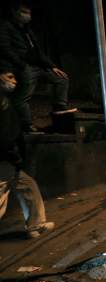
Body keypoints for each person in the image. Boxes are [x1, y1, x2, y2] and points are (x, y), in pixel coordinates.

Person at [0, 1, 76, 132]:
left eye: (28, 13)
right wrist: (21, 65)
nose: (27, 15)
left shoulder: (27, 30)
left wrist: (52, 66)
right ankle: (27, 124)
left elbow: (38, 51)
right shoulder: (5, 27)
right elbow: (5, 48)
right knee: (23, 97)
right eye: (24, 12)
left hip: (37, 66)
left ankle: (59, 108)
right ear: (14, 12)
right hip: (23, 67)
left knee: (62, 78)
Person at [0, 69, 54, 238]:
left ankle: (35, 224)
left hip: (9, 157)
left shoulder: (5, 101)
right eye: (9, 77)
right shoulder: (2, 103)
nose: (14, 81)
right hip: (5, 158)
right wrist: (13, 154)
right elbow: (4, 134)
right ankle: (35, 224)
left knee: (28, 186)